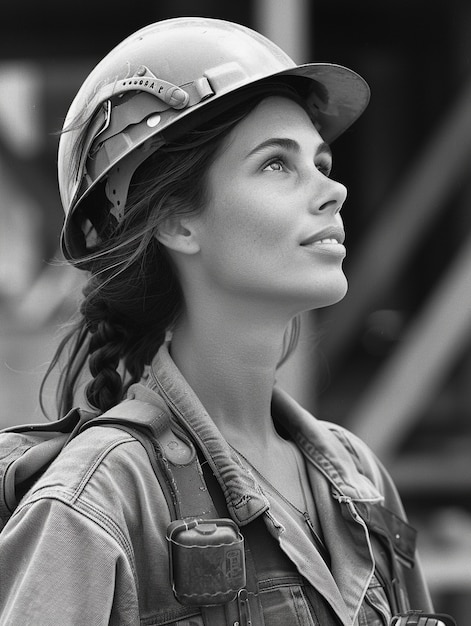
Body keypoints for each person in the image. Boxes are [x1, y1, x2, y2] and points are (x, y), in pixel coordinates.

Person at [0, 16, 435, 626]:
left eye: (321, 160)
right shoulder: (97, 503)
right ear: (177, 221)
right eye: (277, 165)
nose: (332, 190)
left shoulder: (359, 481)